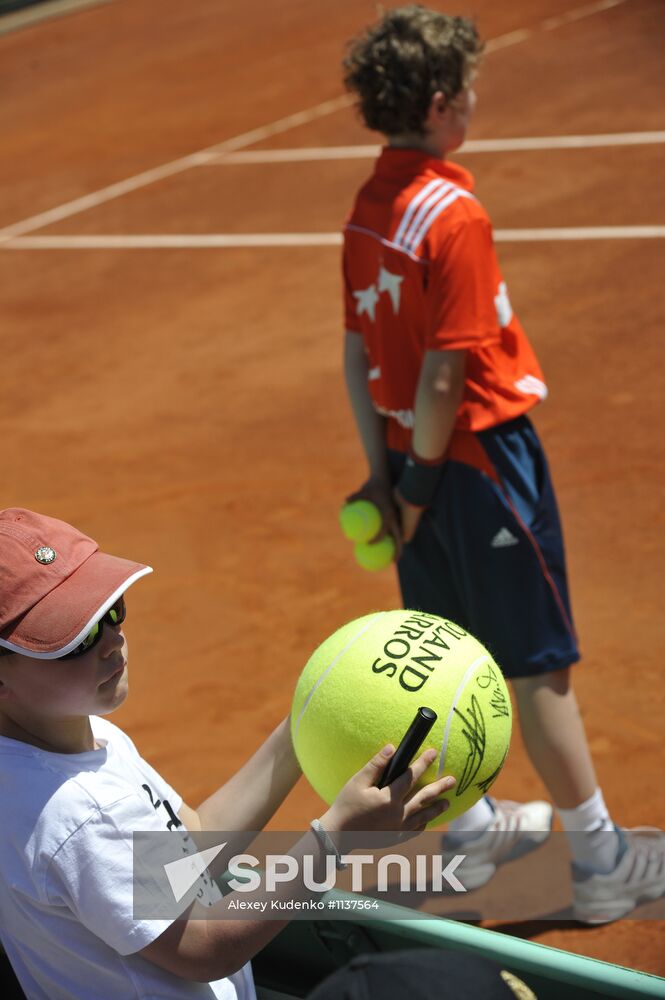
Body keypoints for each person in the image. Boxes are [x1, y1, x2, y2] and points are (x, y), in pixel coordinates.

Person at [340, 5, 665, 923]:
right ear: (442, 104)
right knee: (535, 664)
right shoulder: (455, 212)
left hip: (410, 462)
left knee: (445, 655)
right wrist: (421, 476)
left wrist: (387, 473)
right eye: (469, 90)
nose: (475, 101)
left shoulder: (367, 208)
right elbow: (446, 371)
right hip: (480, 464)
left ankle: (472, 823)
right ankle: (602, 860)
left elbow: (358, 353)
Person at [0, 506, 455, 999]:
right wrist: (335, 840)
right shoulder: (78, 813)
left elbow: (188, 849)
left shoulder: (68, 740)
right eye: (74, 637)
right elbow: (204, 944)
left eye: (111, 611)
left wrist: (306, 723)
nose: (113, 641)